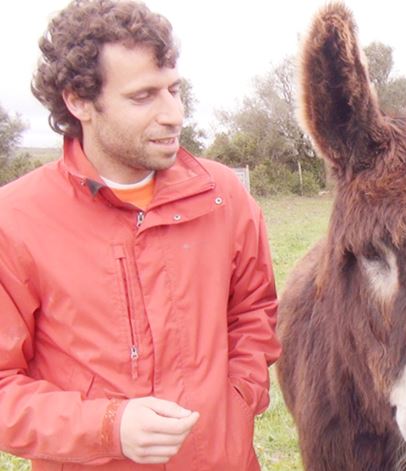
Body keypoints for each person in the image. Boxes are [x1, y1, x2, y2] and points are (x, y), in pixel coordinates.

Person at [0, 1, 280, 469]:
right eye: (143, 96)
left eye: (174, 89)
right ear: (79, 101)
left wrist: (236, 396)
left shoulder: (223, 196)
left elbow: (254, 312)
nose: (174, 114)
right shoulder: (15, 221)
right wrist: (108, 427)